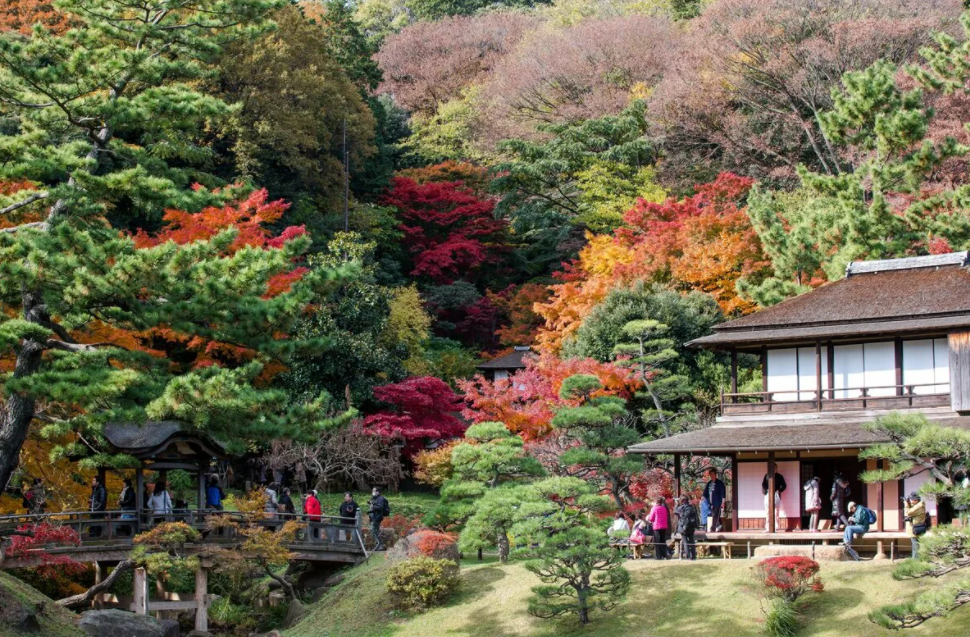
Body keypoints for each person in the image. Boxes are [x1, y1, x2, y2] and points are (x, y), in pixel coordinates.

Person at [903, 492, 928, 559]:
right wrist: (909, 504)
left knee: (915, 546)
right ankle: (915, 559)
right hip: (916, 528)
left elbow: (908, 513)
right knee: (915, 545)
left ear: (916, 500)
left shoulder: (919, 506)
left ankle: (916, 560)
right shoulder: (918, 505)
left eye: (911, 499)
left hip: (915, 529)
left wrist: (906, 504)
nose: (910, 500)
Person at [675, 496, 699, 560]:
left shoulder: (681, 508)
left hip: (683, 527)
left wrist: (677, 504)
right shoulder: (692, 507)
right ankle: (693, 556)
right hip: (691, 526)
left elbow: (675, 512)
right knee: (692, 541)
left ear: (682, 501)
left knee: (685, 542)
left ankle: (688, 557)